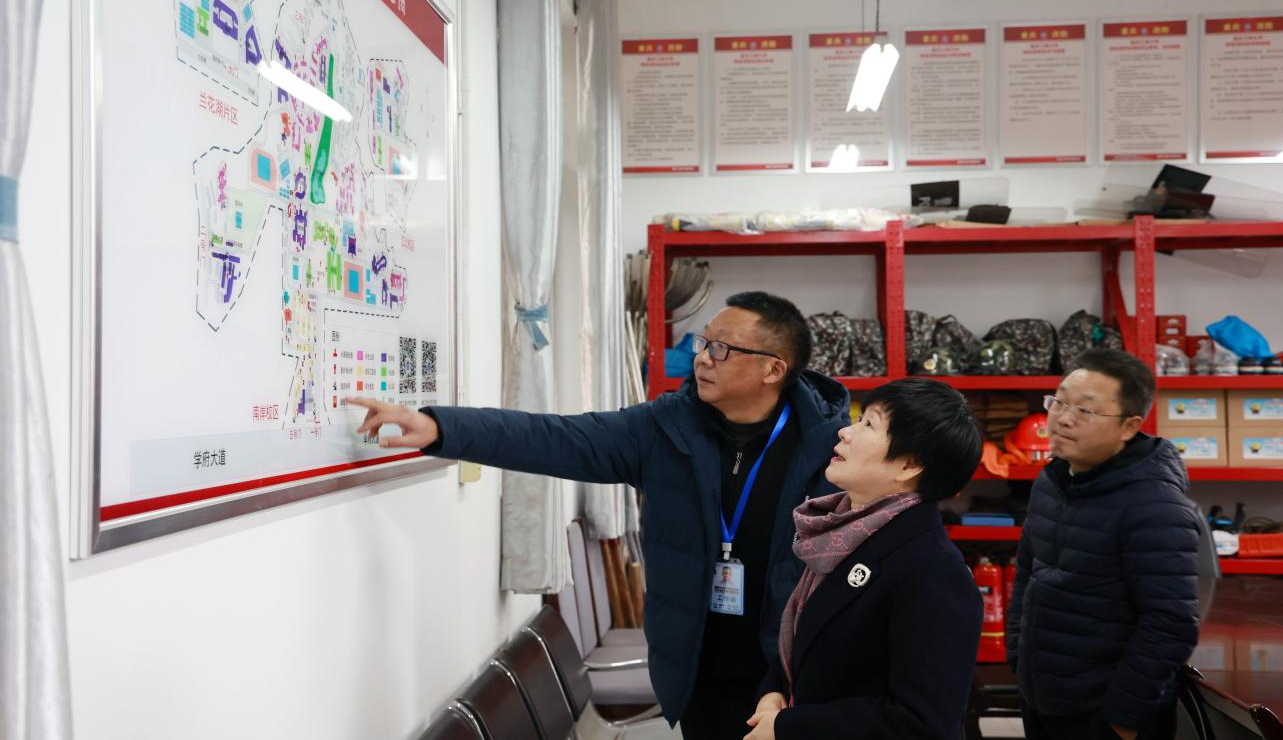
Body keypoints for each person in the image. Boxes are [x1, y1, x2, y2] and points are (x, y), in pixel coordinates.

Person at [349, 292, 850, 735]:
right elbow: (554, 438)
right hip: (698, 672)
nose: (702, 358)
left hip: (795, 674)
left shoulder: (834, 449)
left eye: (722, 349)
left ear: (772, 369)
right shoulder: (664, 429)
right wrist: (440, 428)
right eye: (703, 343)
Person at [745, 378, 984, 739]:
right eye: (859, 420)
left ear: (909, 464)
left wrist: (789, 727)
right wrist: (772, 692)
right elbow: (806, 643)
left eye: (869, 424)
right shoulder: (840, 536)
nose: (845, 432)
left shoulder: (932, 570)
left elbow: (922, 722)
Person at [1007, 349, 1200, 740]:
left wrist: (1122, 719)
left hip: (1103, 712)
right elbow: (1028, 572)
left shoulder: (1155, 505)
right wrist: (1018, 654)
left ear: (1129, 426)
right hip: (1044, 697)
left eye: (1085, 410)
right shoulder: (1052, 480)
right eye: (1059, 402)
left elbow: (1169, 622)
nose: (1063, 418)